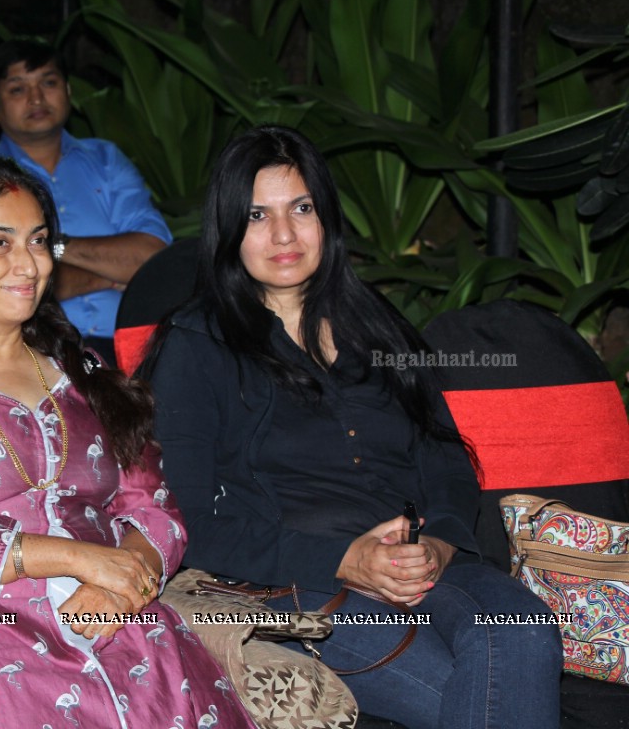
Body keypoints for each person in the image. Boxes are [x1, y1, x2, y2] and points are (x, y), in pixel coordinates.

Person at [146, 126, 563, 729]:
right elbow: (187, 523)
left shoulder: (377, 326)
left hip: (427, 567)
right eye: (258, 215)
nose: (284, 234)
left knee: (522, 631)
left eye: (302, 208)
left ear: (327, 219)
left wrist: (439, 545)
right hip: (297, 587)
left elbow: (445, 457)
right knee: (473, 694)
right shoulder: (196, 345)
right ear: (229, 229)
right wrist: (346, 559)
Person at [0, 153, 253, 729]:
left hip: (111, 609)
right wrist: (76, 557)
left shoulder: (82, 372)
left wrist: (120, 583)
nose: (28, 263)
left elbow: (152, 503)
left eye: (38, 241)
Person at [0, 38, 171, 365]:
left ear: (68, 92)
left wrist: (53, 247)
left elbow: (153, 258)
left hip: (131, 350)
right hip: (32, 355)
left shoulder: (106, 159)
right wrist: (108, 276)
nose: (36, 97)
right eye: (17, 89)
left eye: (49, 82)